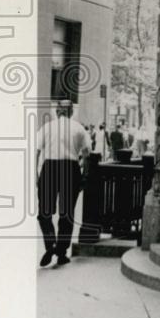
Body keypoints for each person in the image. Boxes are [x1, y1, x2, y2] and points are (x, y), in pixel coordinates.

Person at [36, 99, 91, 267]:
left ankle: (50, 243)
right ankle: (61, 252)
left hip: (50, 168)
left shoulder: (47, 127)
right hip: (70, 169)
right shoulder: (79, 128)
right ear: (71, 112)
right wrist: (84, 176)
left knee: (44, 212)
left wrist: (36, 175)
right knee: (66, 213)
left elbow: (37, 153)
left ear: (57, 111)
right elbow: (87, 155)